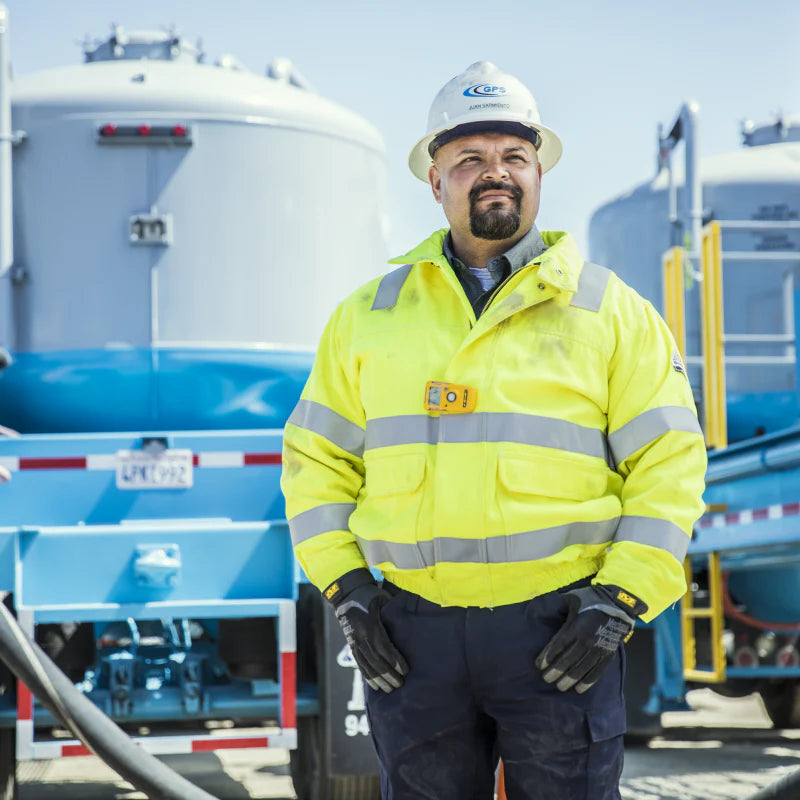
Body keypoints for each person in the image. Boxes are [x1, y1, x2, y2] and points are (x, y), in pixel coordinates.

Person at [281, 61, 707, 800]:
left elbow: (669, 467)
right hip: (412, 637)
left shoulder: (612, 313)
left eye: (514, 157)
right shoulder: (367, 316)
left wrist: (619, 601)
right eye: (470, 160)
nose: (495, 174)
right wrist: (346, 588)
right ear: (435, 180)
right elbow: (315, 463)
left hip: (561, 631)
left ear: (539, 172)